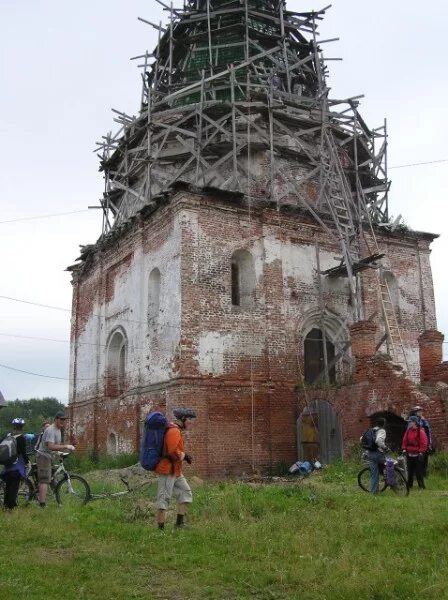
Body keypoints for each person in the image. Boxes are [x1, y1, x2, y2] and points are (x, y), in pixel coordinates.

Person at [155, 408, 196, 530]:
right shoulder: (174, 431)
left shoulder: (176, 430)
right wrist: (185, 456)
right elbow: (171, 452)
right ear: (183, 419)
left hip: (176, 470)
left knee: (185, 492)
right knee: (164, 499)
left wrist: (184, 456)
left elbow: (175, 451)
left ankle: (179, 524)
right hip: (167, 470)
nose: (190, 422)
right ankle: (160, 530)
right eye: (189, 419)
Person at [36, 411, 75, 507]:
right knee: (45, 480)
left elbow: (55, 446)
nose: (63, 421)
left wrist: (60, 452)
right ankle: (42, 504)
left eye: (64, 420)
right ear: (56, 419)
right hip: (43, 456)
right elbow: (50, 446)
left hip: (50, 456)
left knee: (53, 478)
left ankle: (57, 499)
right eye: (61, 419)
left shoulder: (58, 429)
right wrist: (66, 446)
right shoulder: (51, 430)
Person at [0, 418, 31, 509]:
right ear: (22, 427)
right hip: (16, 467)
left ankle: (6, 506)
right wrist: (27, 462)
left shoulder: (8, 436)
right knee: (14, 488)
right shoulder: (21, 438)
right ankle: (11, 508)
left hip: (7, 467)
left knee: (8, 487)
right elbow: (23, 452)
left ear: (14, 426)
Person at [402, 415, 428, 489]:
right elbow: (404, 440)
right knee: (410, 471)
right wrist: (404, 449)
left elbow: (424, 443)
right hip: (409, 454)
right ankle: (409, 485)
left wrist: (421, 452)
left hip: (418, 454)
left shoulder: (421, 432)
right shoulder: (408, 431)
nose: (409, 423)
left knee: (418, 471)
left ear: (415, 423)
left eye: (410, 422)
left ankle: (421, 486)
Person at [365, 417, 387, 495]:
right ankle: (388, 479)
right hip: (378, 453)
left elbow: (362, 439)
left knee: (374, 474)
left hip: (370, 453)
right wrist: (385, 447)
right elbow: (378, 440)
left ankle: (374, 493)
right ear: (383, 424)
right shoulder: (381, 430)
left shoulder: (371, 430)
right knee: (390, 465)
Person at [409, 405, 433, 477]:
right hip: (416, 444)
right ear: (415, 412)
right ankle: (416, 475)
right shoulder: (412, 420)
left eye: (421, 411)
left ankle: (423, 474)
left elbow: (428, 431)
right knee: (416, 460)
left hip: (424, 442)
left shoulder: (423, 420)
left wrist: (429, 443)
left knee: (424, 459)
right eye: (419, 411)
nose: (421, 413)